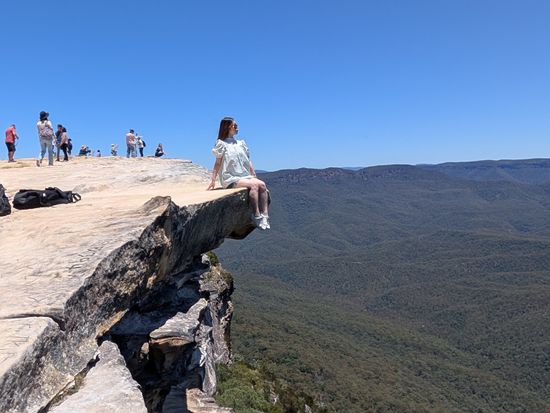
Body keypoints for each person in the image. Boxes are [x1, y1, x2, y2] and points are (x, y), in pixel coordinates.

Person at [207, 117, 270, 230]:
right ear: (228, 127)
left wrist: (253, 174)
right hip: (230, 178)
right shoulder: (221, 144)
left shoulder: (241, 143)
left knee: (262, 184)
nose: (237, 128)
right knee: (254, 186)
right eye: (235, 126)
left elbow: (248, 160)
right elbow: (218, 163)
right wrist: (213, 180)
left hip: (244, 175)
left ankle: (265, 216)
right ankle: (256, 215)